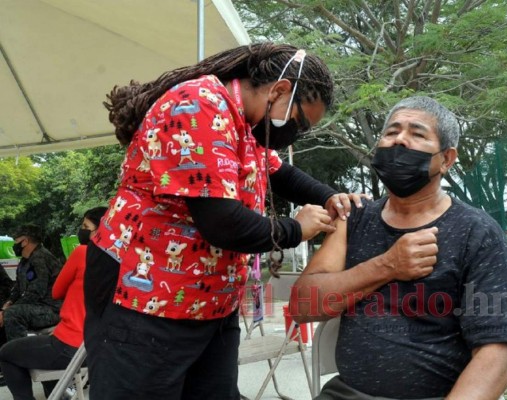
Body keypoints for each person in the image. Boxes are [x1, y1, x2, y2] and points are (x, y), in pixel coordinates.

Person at [83, 42, 362, 400]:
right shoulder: (198, 104)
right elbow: (222, 222)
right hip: (145, 295)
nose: (297, 134)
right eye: (300, 123)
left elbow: (281, 174)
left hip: (210, 303)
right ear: (280, 90)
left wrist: (328, 196)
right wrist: (296, 228)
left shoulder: (245, 123)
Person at [290, 96, 507, 400]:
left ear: (446, 159)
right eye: (391, 132)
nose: (399, 141)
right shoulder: (354, 218)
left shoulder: (478, 233)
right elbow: (302, 306)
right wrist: (388, 265)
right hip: (346, 393)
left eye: (417, 134)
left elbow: (496, 356)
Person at [0, 207, 107, 399]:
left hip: (68, 339)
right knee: (14, 318)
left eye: (85, 226)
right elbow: (18, 288)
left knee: (7, 351)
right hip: (97, 347)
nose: (81, 230)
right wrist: (9, 302)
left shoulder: (81, 252)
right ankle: (56, 392)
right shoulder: (122, 260)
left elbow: (54, 292)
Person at [0, 224, 62, 345]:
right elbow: (17, 287)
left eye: (16, 241)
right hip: (37, 307)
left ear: (25, 241)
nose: (14, 245)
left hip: (50, 310)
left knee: (12, 314)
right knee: (6, 312)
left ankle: (18, 355)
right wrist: (8, 303)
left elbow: (35, 292)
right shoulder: (25, 260)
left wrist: (8, 310)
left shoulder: (41, 258)